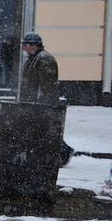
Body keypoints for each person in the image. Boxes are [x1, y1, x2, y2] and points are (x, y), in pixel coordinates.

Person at [20, 32, 73, 165]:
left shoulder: (44, 59)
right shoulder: (33, 58)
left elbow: (48, 85)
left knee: (45, 130)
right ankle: (54, 153)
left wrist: (42, 104)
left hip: (41, 103)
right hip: (33, 102)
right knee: (41, 130)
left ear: (33, 45)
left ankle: (64, 152)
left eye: (25, 44)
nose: (23, 47)